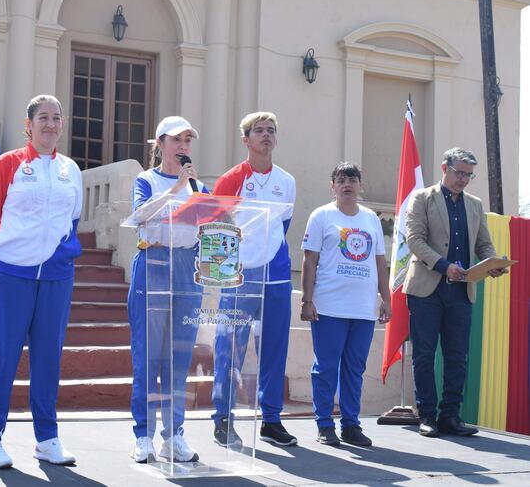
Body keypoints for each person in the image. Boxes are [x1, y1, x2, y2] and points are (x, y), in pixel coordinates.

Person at [0, 94, 83, 467]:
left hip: (56, 277)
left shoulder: (70, 169)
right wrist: (0, 266)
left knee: (48, 359)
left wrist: (60, 257)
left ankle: (47, 438)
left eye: (56, 117)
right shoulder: (7, 164)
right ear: (29, 124)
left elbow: (73, 221)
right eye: (43, 117)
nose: (51, 124)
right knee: (3, 358)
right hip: (12, 274)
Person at [403, 147, 505, 438]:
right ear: (444, 167)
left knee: (457, 355)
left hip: (462, 292)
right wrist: (443, 265)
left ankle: (451, 416)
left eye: (469, 175)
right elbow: (415, 240)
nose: (463, 180)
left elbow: (484, 244)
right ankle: (426, 416)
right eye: (459, 172)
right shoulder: (422, 197)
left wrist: (492, 264)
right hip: (427, 288)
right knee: (424, 355)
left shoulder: (474, 204)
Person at [211, 111, 297, 448]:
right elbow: (217, 231)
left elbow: (283, 226)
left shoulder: (286, 181)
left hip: (275, 275)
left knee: (274, 350)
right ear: (246, 140)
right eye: (259, 131)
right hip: (239, 278)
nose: (266, 135)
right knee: (229, 349)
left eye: (271, 130)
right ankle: (223, 418)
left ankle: (272, 420)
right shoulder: (231, 179)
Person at [128, 116, 209, 463]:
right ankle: (143, 435)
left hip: (187, 271)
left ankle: (173, 434)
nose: (183, 147)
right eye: (177, 140)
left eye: (188, 141)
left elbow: (211, 228)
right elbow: (140, 217)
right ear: (160, 144)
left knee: (178, 358)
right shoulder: (146, 180)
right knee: (149, 355)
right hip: (154, 266)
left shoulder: (200, 188)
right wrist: (176, 189)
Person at [300, 162, 391, 447]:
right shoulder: (321, 216)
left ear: (360, 185)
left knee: (355, 368)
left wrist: (385, 299)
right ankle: (325, 423)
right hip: (329, 307)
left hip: (363, 309)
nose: (347, 184)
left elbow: (379, 261)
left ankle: (351, 425)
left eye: (352, 179)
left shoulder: (371, 220)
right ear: (333, 186)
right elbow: (309, 260)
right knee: (326, 367)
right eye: (341, 180)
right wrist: (307, 299)